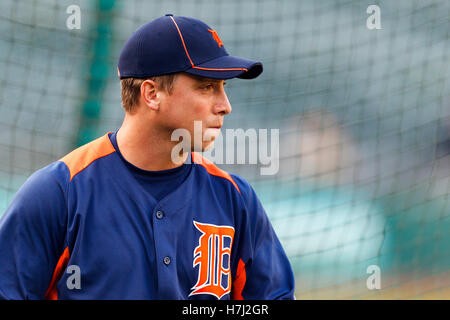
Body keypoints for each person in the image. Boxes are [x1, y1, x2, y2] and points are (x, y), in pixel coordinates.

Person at [0, 14, 295, 300]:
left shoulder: (235, 199)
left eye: (223, 87)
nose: (225, 106)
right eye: (206, 87)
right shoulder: (58, 194)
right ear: (151, 94)